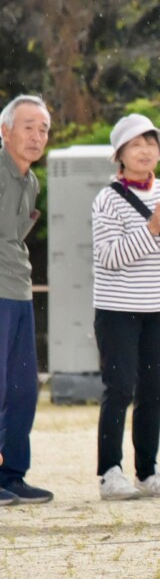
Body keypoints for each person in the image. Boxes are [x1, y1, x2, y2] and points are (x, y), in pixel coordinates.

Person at [92, 114, 160, 500]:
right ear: (120, 154)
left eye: (150, 143)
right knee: (119, 388)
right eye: (136, 144)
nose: (145, 150)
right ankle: (109, 472)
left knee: (152, 390)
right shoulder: (106, 199)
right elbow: (109, 257)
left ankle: (147, 471)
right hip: (117, 308)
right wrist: (151, 228)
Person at [0, 95, 53, 505]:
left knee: (21, 389)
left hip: (19, 289)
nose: (37, 136)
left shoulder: (32, 181)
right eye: (28, 127)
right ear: (5, 131)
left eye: (43, 129)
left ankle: (12, 473)